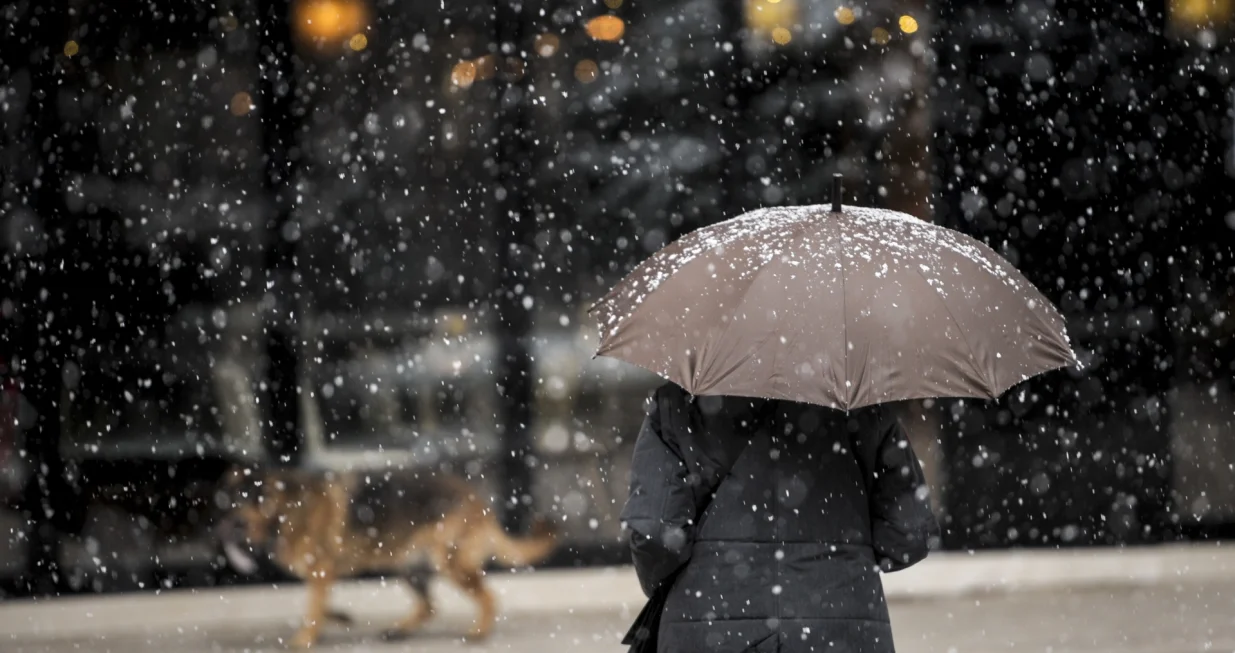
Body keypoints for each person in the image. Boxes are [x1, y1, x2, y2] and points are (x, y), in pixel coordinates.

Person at [621, 382, 939, 653]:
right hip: (840, 626)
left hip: (710, 624)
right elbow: (908, 535)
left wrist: (672, 584)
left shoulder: (678, 403)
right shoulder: (860, 401)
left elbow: (655, 537)